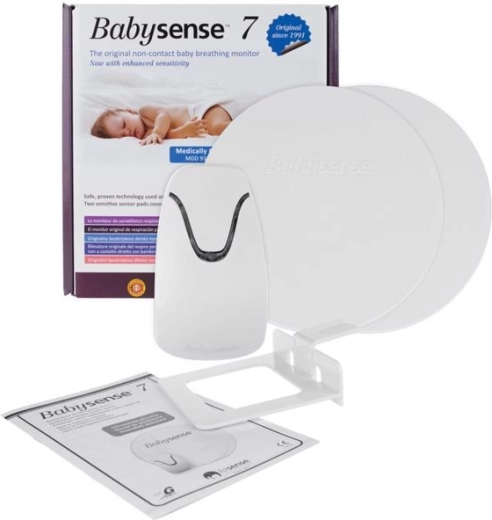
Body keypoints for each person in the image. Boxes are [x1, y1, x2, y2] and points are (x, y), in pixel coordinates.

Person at [91, 103, 232, 145]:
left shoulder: (144, 112)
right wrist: (183, 131)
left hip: (202, 112)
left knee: (216, 128)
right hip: (200, 124)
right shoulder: (147, 137)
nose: (127, 132)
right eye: (122, 136)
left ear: (129, 111)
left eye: (123, 124)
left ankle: (245, 126)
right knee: (217, 131)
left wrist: (157, 133)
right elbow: (170, 135)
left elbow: (163, 117)